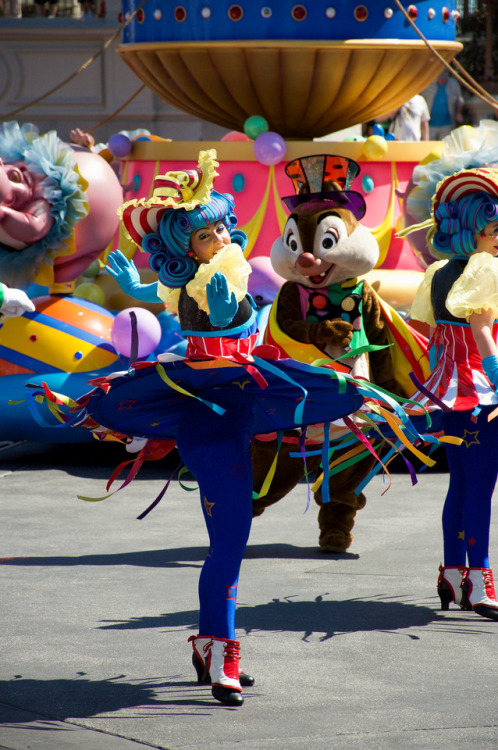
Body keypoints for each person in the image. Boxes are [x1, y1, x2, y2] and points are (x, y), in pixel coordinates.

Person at [70, 149, 398, 706]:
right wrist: (214, 313)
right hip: (209, 420)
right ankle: (221, 652)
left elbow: (194, 303)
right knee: (229, 544)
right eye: (205, 235)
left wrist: (152, 290)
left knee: (231, 543)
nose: (221, 237)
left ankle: (210, 645)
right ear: (186, 248)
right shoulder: (207, 290)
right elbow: (204, 319)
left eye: (223, 225)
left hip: (245, 412)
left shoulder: (223, 276)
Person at [409, 167, 498, 621]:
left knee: (461, 484)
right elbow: (483, 335)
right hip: (479, 391)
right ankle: (479, 580)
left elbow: (431, 336)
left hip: (446, 389)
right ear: (472, 230)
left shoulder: (441, 271)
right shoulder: (484, 270)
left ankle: (452, 572)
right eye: (494, 229)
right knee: (478, 488)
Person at [423, 71, 464, 140]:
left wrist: (458, 113)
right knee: (430, 147)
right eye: (439, 78)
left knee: (445, 146)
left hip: (447, 124)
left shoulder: (453, 84)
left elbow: (459, 101)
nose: (441, 80)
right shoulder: (429, 84)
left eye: (443, 78)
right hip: (430, 124)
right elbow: (422, 100)